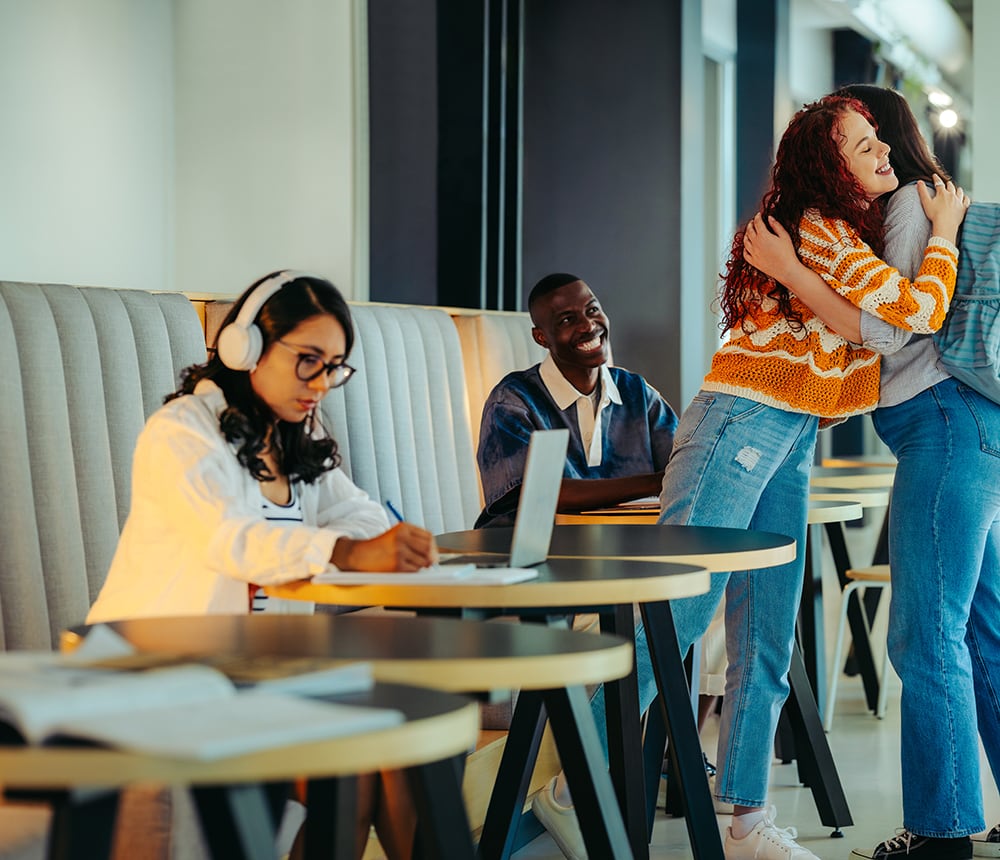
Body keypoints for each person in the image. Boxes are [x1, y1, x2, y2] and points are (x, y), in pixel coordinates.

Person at [651, 94, 968, 860]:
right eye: (863, 147)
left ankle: (745, 822)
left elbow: (857, 335)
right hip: (741, 420)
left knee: (765, 635)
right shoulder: (818, 230)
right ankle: (574, 784)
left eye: (877, 142)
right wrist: (947, 236)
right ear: (830, 166)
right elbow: (916, 313)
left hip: (789, 432)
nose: (883, 154)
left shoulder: (825, 237)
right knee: (678, 620)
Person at [88, 270, 438, 859]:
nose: (322, 383)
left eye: (334, 366)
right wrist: (341, 552)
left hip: (255, 664)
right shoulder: (181, 432)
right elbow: (231, 539)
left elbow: (364, 517)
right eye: (308, 360)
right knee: (355, 763)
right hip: (160, 666)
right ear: (243, 346)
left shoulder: (294, 435)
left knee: (391, 752)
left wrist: (361, 543)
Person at [746, 84, 999, 860]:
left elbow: (890, 328)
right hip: (969, 427)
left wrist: (791, 272)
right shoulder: (923, 203)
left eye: (859, 134)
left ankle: (941, 833)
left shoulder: (907, 210)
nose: (863, 149)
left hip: (945, 426)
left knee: (924, 637)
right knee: (981, 633)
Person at [475, 272, 678, 529]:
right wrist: (656, 482)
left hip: (621, 552)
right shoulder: (512, 401)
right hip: (527, 559)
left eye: (592, 309)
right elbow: (540, 493)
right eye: (567, 320)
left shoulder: (637, 392)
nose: (588, 325)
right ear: (541, 338)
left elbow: (683, 468)